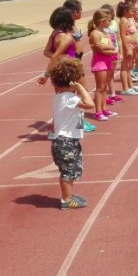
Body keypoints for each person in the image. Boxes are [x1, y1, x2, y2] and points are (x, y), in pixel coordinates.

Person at [47, 58, 95, 210]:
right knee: (68, 171)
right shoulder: (70, 98)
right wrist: (81, 90)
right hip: (66, 141)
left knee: (71, 168)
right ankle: (66, 200)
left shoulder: (59, 97)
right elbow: (90, 104)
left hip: (64, 139)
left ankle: (69, 195)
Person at [88, 10, 119, 122]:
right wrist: (113, 51)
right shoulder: (95, 33)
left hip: (107, 61)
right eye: (108, 20)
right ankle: (98, 112)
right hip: (99, 62)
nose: (110, 22)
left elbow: (109, 46)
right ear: (102, 21)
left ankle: (104, 109)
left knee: (105, 87)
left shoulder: (105, 33)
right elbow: (101, 50)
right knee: (100, 87)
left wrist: (110, 49)